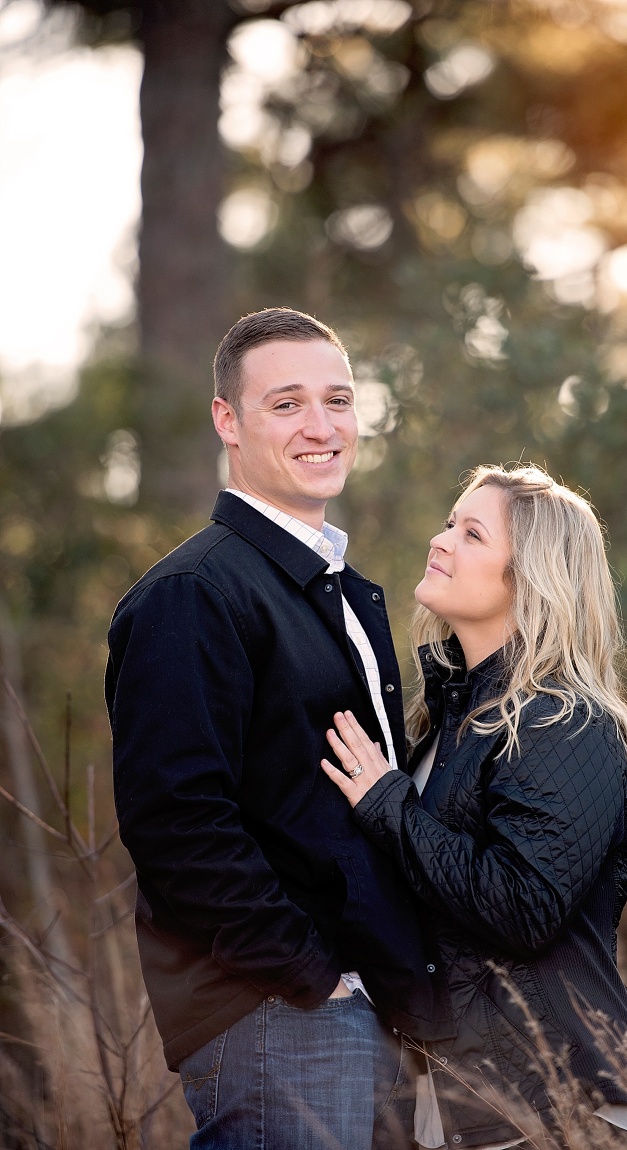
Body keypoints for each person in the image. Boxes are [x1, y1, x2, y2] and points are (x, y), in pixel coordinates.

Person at [105, 307, 454, 1150]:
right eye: (287, 404)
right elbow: (176, 820)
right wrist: (307, 973)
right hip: (279, 1015)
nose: (321, 427)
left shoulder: (338, 589)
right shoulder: (194, 594)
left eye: (338, 400)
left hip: (364, 1006)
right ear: (227, 420)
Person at [322, 463, 627, 1150]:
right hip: (466, 1103)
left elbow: (523, 905)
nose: (440, 540)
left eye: (472, 534)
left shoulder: (565, 722)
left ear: (530, 578)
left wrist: (388, 805)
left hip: (558, 1105)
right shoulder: (449, 720)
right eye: (450, 523)